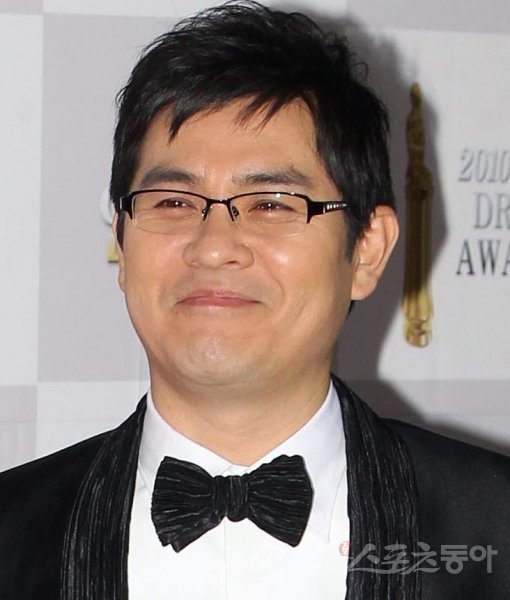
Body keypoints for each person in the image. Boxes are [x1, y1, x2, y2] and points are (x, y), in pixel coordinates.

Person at [1, 2, 509, 599]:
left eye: (271, 204)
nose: (214, 247)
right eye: (173, 202)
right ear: (122, 239)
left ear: (366, 251)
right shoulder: (13, 530)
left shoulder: (494, 526)